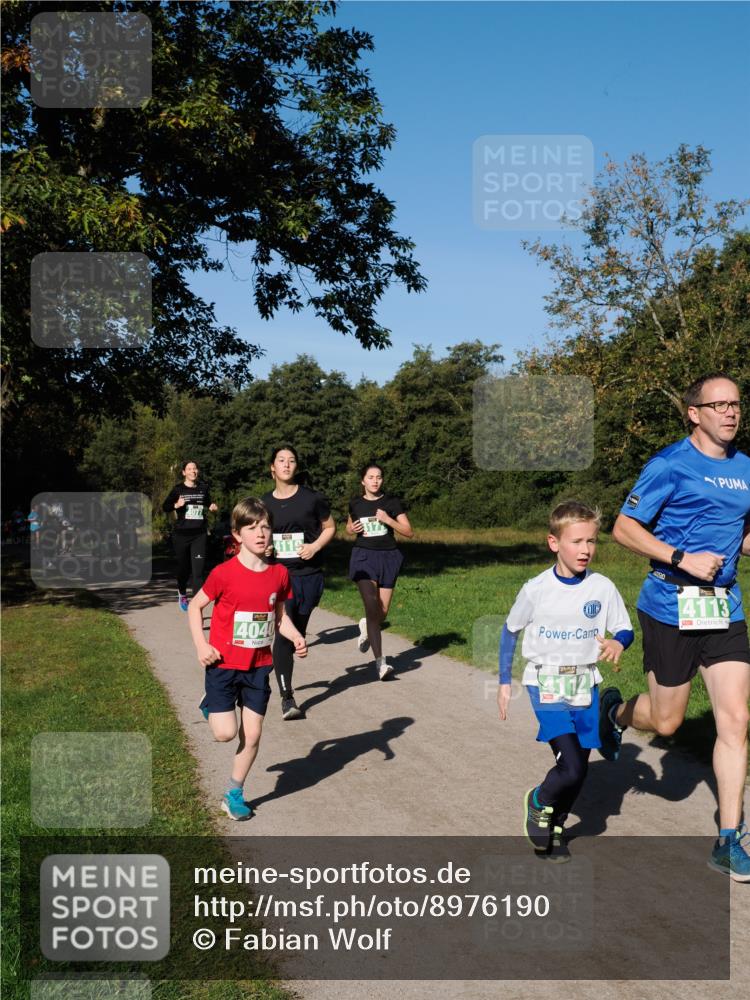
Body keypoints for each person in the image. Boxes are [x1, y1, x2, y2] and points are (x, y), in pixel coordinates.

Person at [600, 373, 750, 881]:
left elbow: (741, 534)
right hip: (669, 604)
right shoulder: (668, 465)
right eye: (720, 404)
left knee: (735, 718)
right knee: (667, 723)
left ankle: (729, 838)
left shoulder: (747, 467)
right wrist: (681, 556)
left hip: (724, 606)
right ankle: (615, 713)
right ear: (695, 412)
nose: (731, 412)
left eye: (736, 403)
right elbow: (623, 528)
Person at [498, 501, 633, 862]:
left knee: (579, 770)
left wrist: (619, 641)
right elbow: (510, 631)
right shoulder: (536, 589)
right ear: (554, 543)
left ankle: (553, 827)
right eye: (576, 541)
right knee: (570, 766)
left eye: (591, 541)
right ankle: (539, 801)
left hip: (585, 684)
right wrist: (503, 681)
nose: (586, 550)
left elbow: (624, 627)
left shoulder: (602, 587)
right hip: (545, 684)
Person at [187, 497, 307, 820]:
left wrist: (295, 635)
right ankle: (210, 701)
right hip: (223, 665)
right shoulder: (223, 574)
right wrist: (201, 645)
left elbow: (279, 616)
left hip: (257, 668)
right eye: (252, 527)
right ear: (237, 534)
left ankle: (234, 792)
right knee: (225, 733)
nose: (260, 533)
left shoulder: (280, 574)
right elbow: (196, 607)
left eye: (265, 527)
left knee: (252, 735)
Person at [261, 446, 335, 720]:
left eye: (291, 460)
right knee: (283, 634)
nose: (287, 464)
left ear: (296, 466)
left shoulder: (312, 499)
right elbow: (257, 536)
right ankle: (287, 697)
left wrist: (314, 547)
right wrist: (265, 550)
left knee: (295, 636)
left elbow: (330, 527)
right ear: (273, 467)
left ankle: (272, 668)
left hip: (309, 577)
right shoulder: (264, 503)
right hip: (279, 577)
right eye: (281, 460)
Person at [346, 461, 413, 680]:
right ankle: (380, 663)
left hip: (388, 558)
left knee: (381, 613)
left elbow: (408, 531)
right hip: (363, 557)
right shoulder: (355, 503)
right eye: (371, 477)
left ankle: (366, 623)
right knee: (372, 603)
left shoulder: (391, 502)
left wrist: (388, 520)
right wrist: (351, 529)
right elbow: (348, 526)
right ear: (363, 481)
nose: (375, 481)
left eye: (379, 477)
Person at [162, 461, 218, 611]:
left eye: (195, 469)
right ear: (184, 472)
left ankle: (197, 607)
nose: (193, 471)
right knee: (183, 569)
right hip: (181, 535)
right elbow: (165, 506)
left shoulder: (203, 488)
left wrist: (212, 506)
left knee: (198, 572)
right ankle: (182, 592)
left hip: (199, 534)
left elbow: (208, 502)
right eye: (189, 469)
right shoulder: (178, 489)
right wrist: (176, 505)